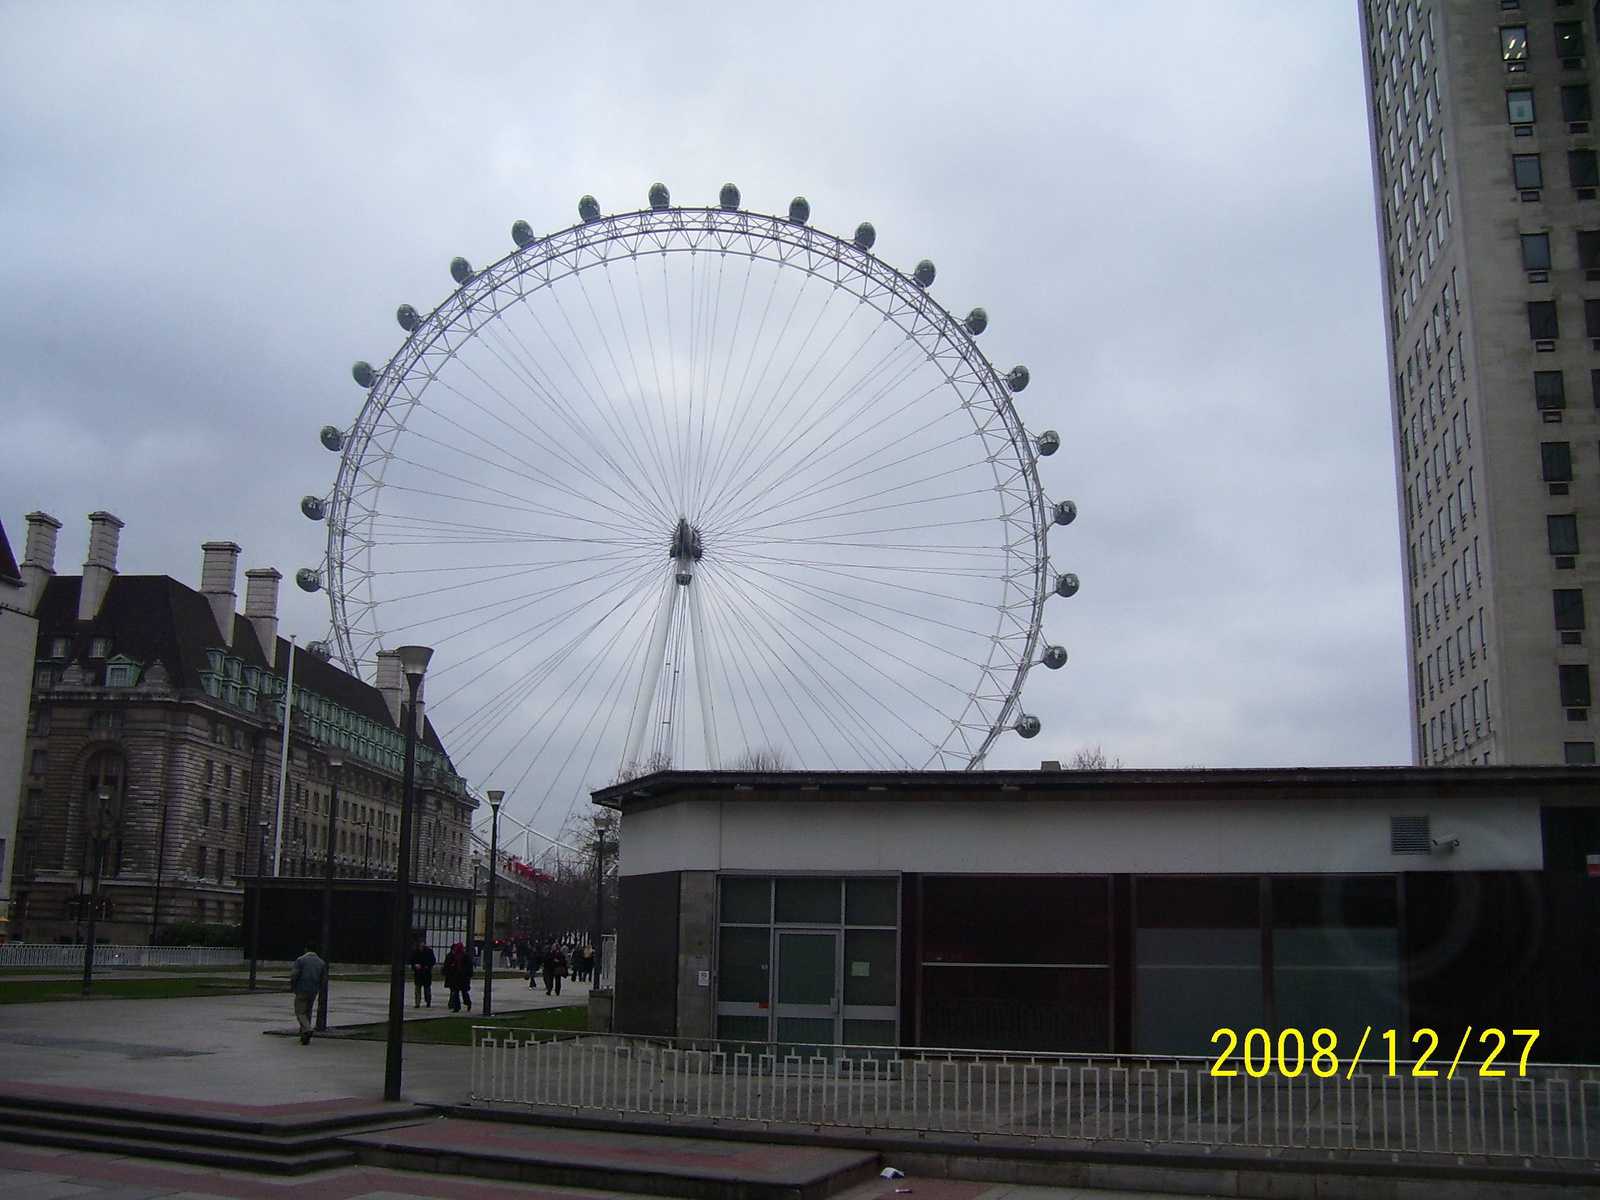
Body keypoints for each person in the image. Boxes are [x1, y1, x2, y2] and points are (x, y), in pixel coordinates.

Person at [288, 942, 327, 1045]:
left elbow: (294, 974)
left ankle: (307, 1029)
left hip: (301, 989)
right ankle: (304, 1035)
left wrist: (293, 985)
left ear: (306, 949)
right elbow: (324, 979)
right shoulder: (321, 963)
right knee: (308, 1012)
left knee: (300, 1012)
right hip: (313, 990)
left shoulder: (300, 960)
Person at [443, 941, 473, 1011]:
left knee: (464, 992)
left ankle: (468, 1003)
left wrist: (465, 973)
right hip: (456, 976)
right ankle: (457, 1007)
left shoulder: (465, 956)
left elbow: (469, 967)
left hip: (463, 977)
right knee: (455, 992)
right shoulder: (455, 956)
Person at [409, 938, 436, 1008]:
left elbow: (433, 961)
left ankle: (428, 1001)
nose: (422, 944)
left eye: (423, 943)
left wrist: (428, 966)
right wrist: (415, 965)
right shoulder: (415, 952)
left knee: (427, 988)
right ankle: (417, 1002)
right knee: (417, 988)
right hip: (418, 973)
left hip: (426, 972)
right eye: (421, 943)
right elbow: (411, 961)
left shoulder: (429, 951)